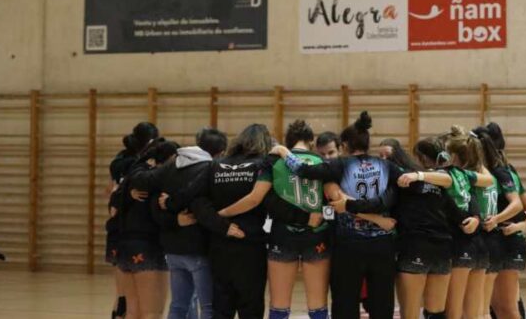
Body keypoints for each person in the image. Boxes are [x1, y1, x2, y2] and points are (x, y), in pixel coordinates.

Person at [162, 124, 319, 319]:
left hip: (219, 246)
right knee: (250, 307)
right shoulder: (262, 166)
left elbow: (194, 197)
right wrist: (305, 218)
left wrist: (170, 203)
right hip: (251, 246)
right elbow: (273, 202)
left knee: (221, 308)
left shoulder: (216, 165)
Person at [272, 112, 400, 319]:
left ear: (345, 145)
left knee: (345, 303)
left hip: (349, 245)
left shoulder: (340, 165)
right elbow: (402, 183)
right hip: (382, 245)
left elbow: (302, 170)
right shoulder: (386, 165)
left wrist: (283, 151)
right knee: (382, 303)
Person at [213, 120, 333, 319]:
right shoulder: (322, 162)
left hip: (282, 235)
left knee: (279, 305)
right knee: (318, 305)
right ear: (311, 141)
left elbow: (255, 199)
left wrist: (222, 214)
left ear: (287, 141)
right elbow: (334, 199)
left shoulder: (274, 162)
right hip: (316, 236)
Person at [128, 127, 228, 319]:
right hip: (199, 248)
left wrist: (143, 159)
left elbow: (144, 186)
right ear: (220, 152)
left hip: (172, 249)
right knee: (207, 306)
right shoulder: (211, 169)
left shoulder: (171, 165)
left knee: (178, 306)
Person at [385, 137, 475, 319]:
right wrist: (475, 218)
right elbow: (458, 214)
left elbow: (384, 206)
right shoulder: (439, 184)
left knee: (409, 314)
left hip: (415, 246)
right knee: (436, 313)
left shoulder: (403, 181)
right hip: (442, 250)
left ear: (421, 158)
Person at [116, 138, 178, 319]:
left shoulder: (133, 177)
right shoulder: (159, 181)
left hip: (126, 246)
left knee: (133, 311)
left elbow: (114, 205)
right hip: (149, 247)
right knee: (152, 312)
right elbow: (160, 216)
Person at [106, 122, 159, 319]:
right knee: (138, 303)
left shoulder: (118, 161)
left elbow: (109, 192)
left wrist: (121, 197)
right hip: (135, 231)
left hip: (117, 229)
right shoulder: (142, 164)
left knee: (122, 296)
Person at [480, 123, 526, 319]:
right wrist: (522, 223)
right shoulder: (491, 172)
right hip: (499, 240)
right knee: (501, 308)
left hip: (506, 241)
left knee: (506, 308)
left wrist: (506, 221)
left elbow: (521, 207)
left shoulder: (501, 172)